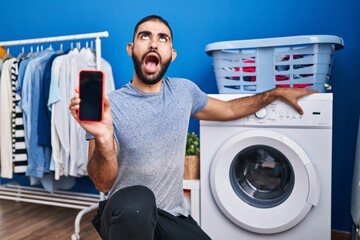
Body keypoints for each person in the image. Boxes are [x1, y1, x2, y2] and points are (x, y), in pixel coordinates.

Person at [69, 15, 317, 240]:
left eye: (162, 38)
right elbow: (102, 183)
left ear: (172, 53)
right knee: (139, 199)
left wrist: (274, 94)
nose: (154, 43)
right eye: (145, 36)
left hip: (170, 217)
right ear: (131, 49)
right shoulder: (110, 106)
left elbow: (229, 110)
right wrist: (104, 137)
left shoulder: (183, 91)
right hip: (125, 216)